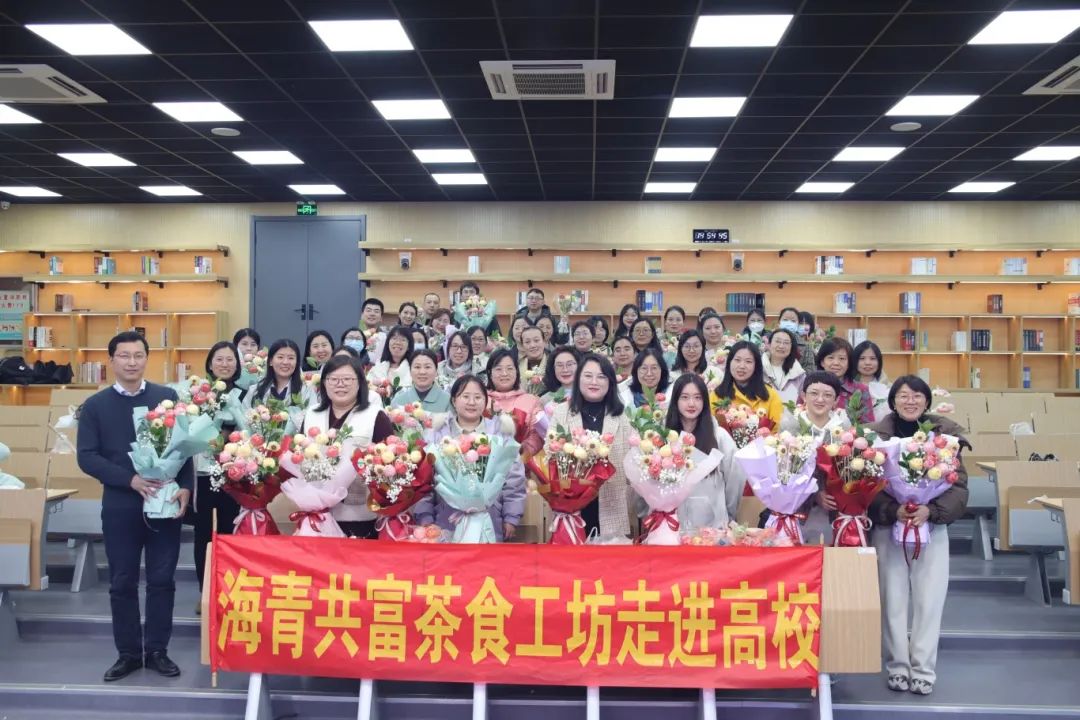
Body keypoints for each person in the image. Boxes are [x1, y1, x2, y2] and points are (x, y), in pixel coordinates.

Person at [77, 331, 193, 681]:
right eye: (124, 356)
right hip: (121, 505)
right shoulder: (95, 406)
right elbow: (87, 457)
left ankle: (157, 650)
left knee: (162, 580)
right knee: (122, 581)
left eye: (138, 355)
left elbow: (184, 448)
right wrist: (129, 480)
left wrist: (186, 487)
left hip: (164, 502)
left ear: (147, 358)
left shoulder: (166, 398)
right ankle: (128, 653)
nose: (132, 362)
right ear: (111, 360)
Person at [869, 376, 970, 697]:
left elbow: (958, 486)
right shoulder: (875, 437)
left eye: (916, 396)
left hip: (932, 528)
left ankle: (924, 668)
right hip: (889, 529)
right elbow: (867, 485)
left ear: (927, 401)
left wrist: (931, 510)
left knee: (930, 601)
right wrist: (892, 509)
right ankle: (897, 665)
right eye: (903, 396)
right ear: (892, 401)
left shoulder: (946, 438)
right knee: (892, 600)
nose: (909, 401)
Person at [414, 374, 526, 540]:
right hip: (445, 521)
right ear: (454, 400)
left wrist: (511, 517)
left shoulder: (500, 433)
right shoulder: (437, 435)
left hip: (489, 520)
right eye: (465, 396)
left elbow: (514, 479)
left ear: (486, 401)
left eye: (478, 397)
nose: (472, 402)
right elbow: (424, 481)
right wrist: (425, 517)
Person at [302, 355, 392, 539]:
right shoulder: (312, 414)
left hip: (359, 514)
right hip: (317, 513)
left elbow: (388, 463)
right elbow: (299, 455)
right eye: (334, 379)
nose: (340, 384)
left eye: (348, 379)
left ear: (360, 383)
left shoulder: (375, 415)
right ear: (324, 383)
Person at [547, 354, 634, 537]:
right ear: (578, 379)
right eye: (588, 376)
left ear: (610, 382)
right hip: (572, 504)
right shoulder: (562, 412)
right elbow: (550, 452)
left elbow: (632, 460)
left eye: (601, 377)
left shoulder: (622, 417)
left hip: (612, 501)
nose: (594, 382)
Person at [191, 342, 241, 599]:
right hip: (203, 472)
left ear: (237, 364)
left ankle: (227, 592)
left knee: (229, 532)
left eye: (230, 359)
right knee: (203, 534)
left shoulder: (245, 395)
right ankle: (205, 592)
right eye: (219, 359)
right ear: (210, 364)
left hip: (235, 475)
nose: (224, 364)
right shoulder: (196, 394)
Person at [663, 373, 743, 526]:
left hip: (713, 526)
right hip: (674, 525)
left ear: (705, 401)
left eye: (698, 397)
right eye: (685, 397)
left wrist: (728, 514)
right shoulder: (664, 436)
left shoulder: (720, 436)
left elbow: (735, 480)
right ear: (675, 400)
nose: (691, 403)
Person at [243, 339, 316, 427]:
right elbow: (244, 421)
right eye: (280, 357)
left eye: (291, 358)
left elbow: (312, 422)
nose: (285, 362)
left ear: (297, 363)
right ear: (270, 361)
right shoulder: (255, 390)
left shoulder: (306, 391)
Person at [710, 341, 783, 428]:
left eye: (748, 361)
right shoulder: (716, 395)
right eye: (737, 360)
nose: (742, 366)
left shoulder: (771, 395)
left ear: (756, 366)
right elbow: (709, 427)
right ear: (729, 362)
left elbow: (777, 430)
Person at [485, 348, 544, 455]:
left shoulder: (531, 400)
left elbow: (537, 435)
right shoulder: (482, 400)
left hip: (521, 460)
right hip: (484, 459)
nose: (504, 373)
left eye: (509, 368)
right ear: (489, 373)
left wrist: (521, 452)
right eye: (498, 369)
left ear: (517, 372)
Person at [817, 337, 874, 424]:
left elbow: (868, 425)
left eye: (842, 358)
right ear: (822, 362)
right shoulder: (810, 385)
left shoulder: (861, 390)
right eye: (831, 357)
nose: (836, 363)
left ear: (849, 363)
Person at [762, 328, 806, 406]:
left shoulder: (799, 374)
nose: (781, 346)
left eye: (786, 343)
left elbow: (804, 401)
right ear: (768, 344)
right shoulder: (757, 368)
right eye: (777, 341)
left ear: (791, 347)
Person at [621, 346, 671, 410]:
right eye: (644, 368)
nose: (649, 374)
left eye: (654, 368)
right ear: (636, 371)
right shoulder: (624, 397)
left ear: (662, 370)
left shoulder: (672, 393)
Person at [853, 340, 890, 421]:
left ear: (879, 361)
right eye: (862, 358)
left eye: (872, 358)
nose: (867, 363)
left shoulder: (889, 387)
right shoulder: (848, 387)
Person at [368, 325, 414, 390]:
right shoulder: (378, 365)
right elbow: (367, 385)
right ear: (388, 342)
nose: (398, 343)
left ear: (409, 346)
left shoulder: (413, 369)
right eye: (394, 338)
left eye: (403, 340)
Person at [778, 306, 816, 371]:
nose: (789, 323)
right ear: (779, 322)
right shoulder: (770, 342)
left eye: (793, 321)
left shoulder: (806, 346)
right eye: (785, 320)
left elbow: (810, 369)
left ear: (798, 324)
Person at [517, 325, 548, 391]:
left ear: (544, 342)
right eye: (527, 342)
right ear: (522, 345)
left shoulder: (554, 363)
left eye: (536, 340)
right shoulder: (517, 365)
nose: (532, 345)